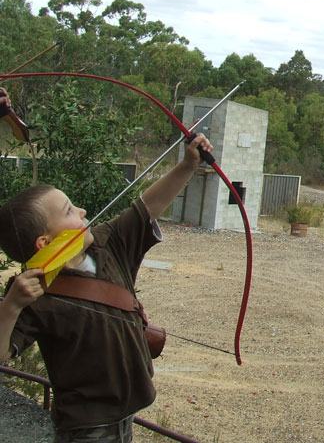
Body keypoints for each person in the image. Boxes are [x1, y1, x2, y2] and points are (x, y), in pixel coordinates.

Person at [0, 87, 214, 442]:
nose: (82, 211)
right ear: (45, 243)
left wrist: (188, 164)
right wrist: (10, 307)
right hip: (86, 430)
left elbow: (147, 207)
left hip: (125, 419)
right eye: (69, 211)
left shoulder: (105, 243)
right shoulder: (29, 293)